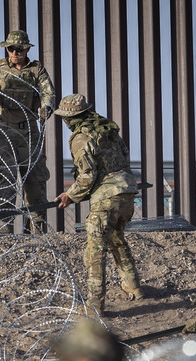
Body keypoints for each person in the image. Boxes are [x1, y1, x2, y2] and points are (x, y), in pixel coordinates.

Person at [54, 94, 142, 312]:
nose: (65, 122)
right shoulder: (107, 129)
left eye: (65, 118)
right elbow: (124, 157)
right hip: (127, 191)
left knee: (95, 252)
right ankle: (134, 287)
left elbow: (87, 176)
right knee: (116, 239)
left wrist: (70, 195)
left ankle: (95, 306)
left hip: (106, 198)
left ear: (71, 117)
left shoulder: (80, 138)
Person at [0, 30, 56, 234]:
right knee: (5, 179)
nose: (15, 52)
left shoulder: (37, 71)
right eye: (11, 49)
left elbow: (48, 93)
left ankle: (36, 226)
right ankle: (4, 226)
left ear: (27, 49)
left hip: (29, 133)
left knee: (35, 180)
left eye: (19, 49)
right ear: (6, 49)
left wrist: (46, 107)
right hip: (6, 132)